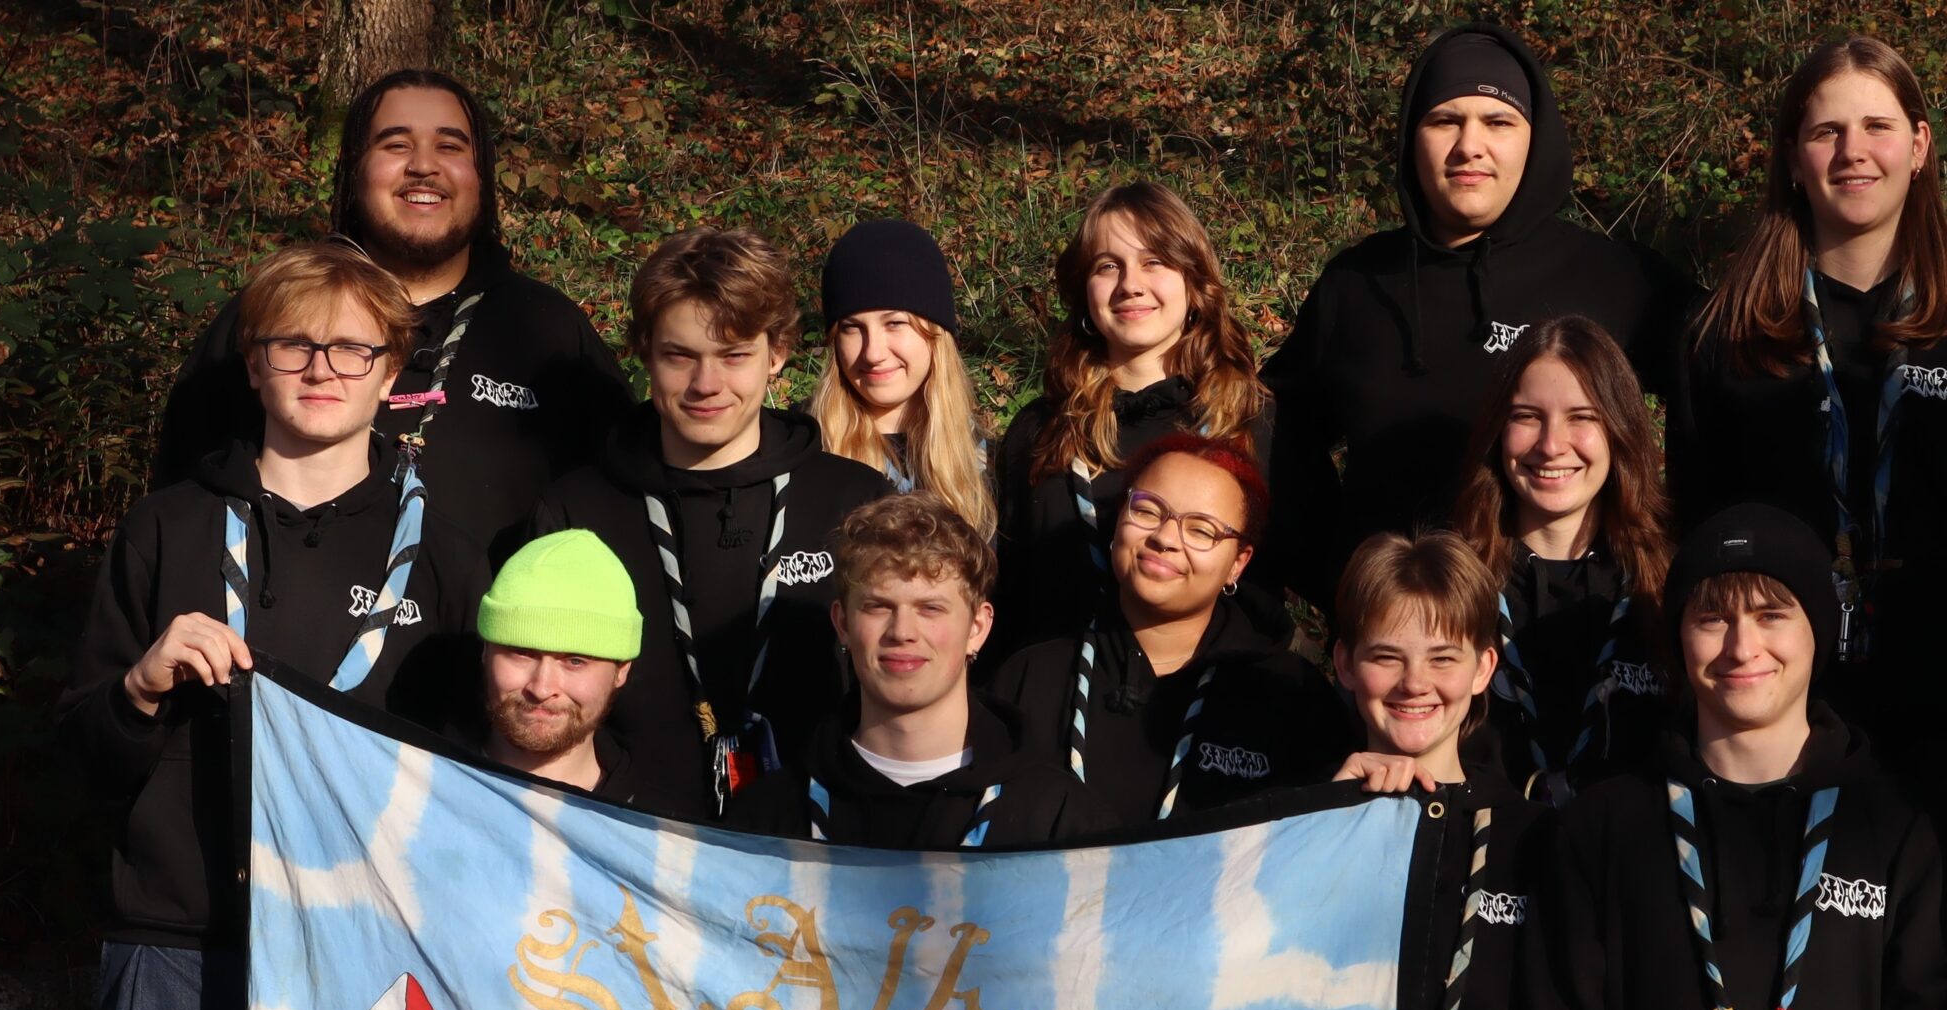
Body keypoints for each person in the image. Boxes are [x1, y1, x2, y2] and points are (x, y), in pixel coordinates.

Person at [1664, 37, 1947, 1010]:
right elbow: (1691, 537)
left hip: (1946, 718)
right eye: (1825, 130)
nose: (1853, 151)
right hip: (1773, 713)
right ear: (1791, 155)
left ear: (1920, 146)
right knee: (1777, 995)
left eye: (1878, 126)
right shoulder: (1723, 332)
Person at [67, 242, 488, 1010]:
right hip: (181, 943)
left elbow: (472, 783)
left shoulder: (447, 556)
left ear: (390, 370)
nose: (321, 368)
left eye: (353, 348)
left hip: (370, 948)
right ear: (255, 365)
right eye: (293, 344)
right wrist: (139, 690)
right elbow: (84, 759)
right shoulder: (166, 527)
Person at [1521, 504, 1947, 1010]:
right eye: (1712, 619)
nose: (1741, 648)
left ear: (1817, 629)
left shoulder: (1898, 826)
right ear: (1679, 637)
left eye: (1771, 615)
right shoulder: (1600, 828)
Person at [1266, 24, 1696, 609]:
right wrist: (1335, 574)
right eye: (1445, 120)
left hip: (1577, 629)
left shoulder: (1616, 277)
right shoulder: (1358, 285)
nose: (1469, 146)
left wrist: (1689, 553)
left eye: (1498, 122)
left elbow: (1731, 390)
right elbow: (1270, 428)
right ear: (1411, 137)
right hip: (1397, 639)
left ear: (1534, 138)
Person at [154, 70, 627, 553]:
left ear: (481, 176)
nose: (423, 166)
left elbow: (624, 521)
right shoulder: (274, 319)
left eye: (449, 146)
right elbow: (180, 520)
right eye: (396, 145)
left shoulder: (548, 332)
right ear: (355, 169)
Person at [532, 228, 891, 819]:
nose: (706, 385)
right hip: (629, 835)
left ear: (776, 355)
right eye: (680, 356)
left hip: (819, 836)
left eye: (734, 356)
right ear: (645, 352)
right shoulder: (577, 510)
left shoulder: (854, 500)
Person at [990, 434, 1351, 830]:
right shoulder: (1030, 679)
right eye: (1147, 510)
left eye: (1201, 530)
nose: (1164, 538)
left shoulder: (1292, 698)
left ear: (1238, 563)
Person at [993, 181, 1278, 658]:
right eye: (1108, 266)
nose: (1130, 285)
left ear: (1194, 282)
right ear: (1084, 291)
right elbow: (1008, 597)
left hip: (1213, 690)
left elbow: (1291, 585)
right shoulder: (1040, 432)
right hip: (1060, 692)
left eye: (1155, 261)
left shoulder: (1255, 422)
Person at [727, 495, 1103, 847]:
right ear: (842, 624)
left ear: (977, 628)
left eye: (930, 608)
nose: (902, 632)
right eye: (878, 606)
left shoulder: (1057, 820)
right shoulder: (765, 821)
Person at [1327, 531, 1551, 1010]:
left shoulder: (1537, 839)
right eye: (1387, 656)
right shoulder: (1300, 824)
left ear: (1483, 669)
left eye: (1443, 658)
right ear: (1345, 664)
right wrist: (1325, 822)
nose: (1414, 683)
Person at [1450, 315, 1675, 801]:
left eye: (1582, 417)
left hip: (1624, 847)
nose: (1551, 445)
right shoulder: (1447, 586)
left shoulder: (1670, 589)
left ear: (1619, 428)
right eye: (1527, 416)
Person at [809, 218, 998, 538]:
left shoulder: (993, 465)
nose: (873, 352)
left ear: (936, 333)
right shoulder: (804, 456)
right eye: (852, 328)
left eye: (895, 323)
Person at [460, 529, 648, 807]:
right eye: (522, 653)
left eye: (575, 661)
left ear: (622, 670)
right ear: (486, 651)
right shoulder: (413, 782)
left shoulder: (661, 820)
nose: (542, 688)